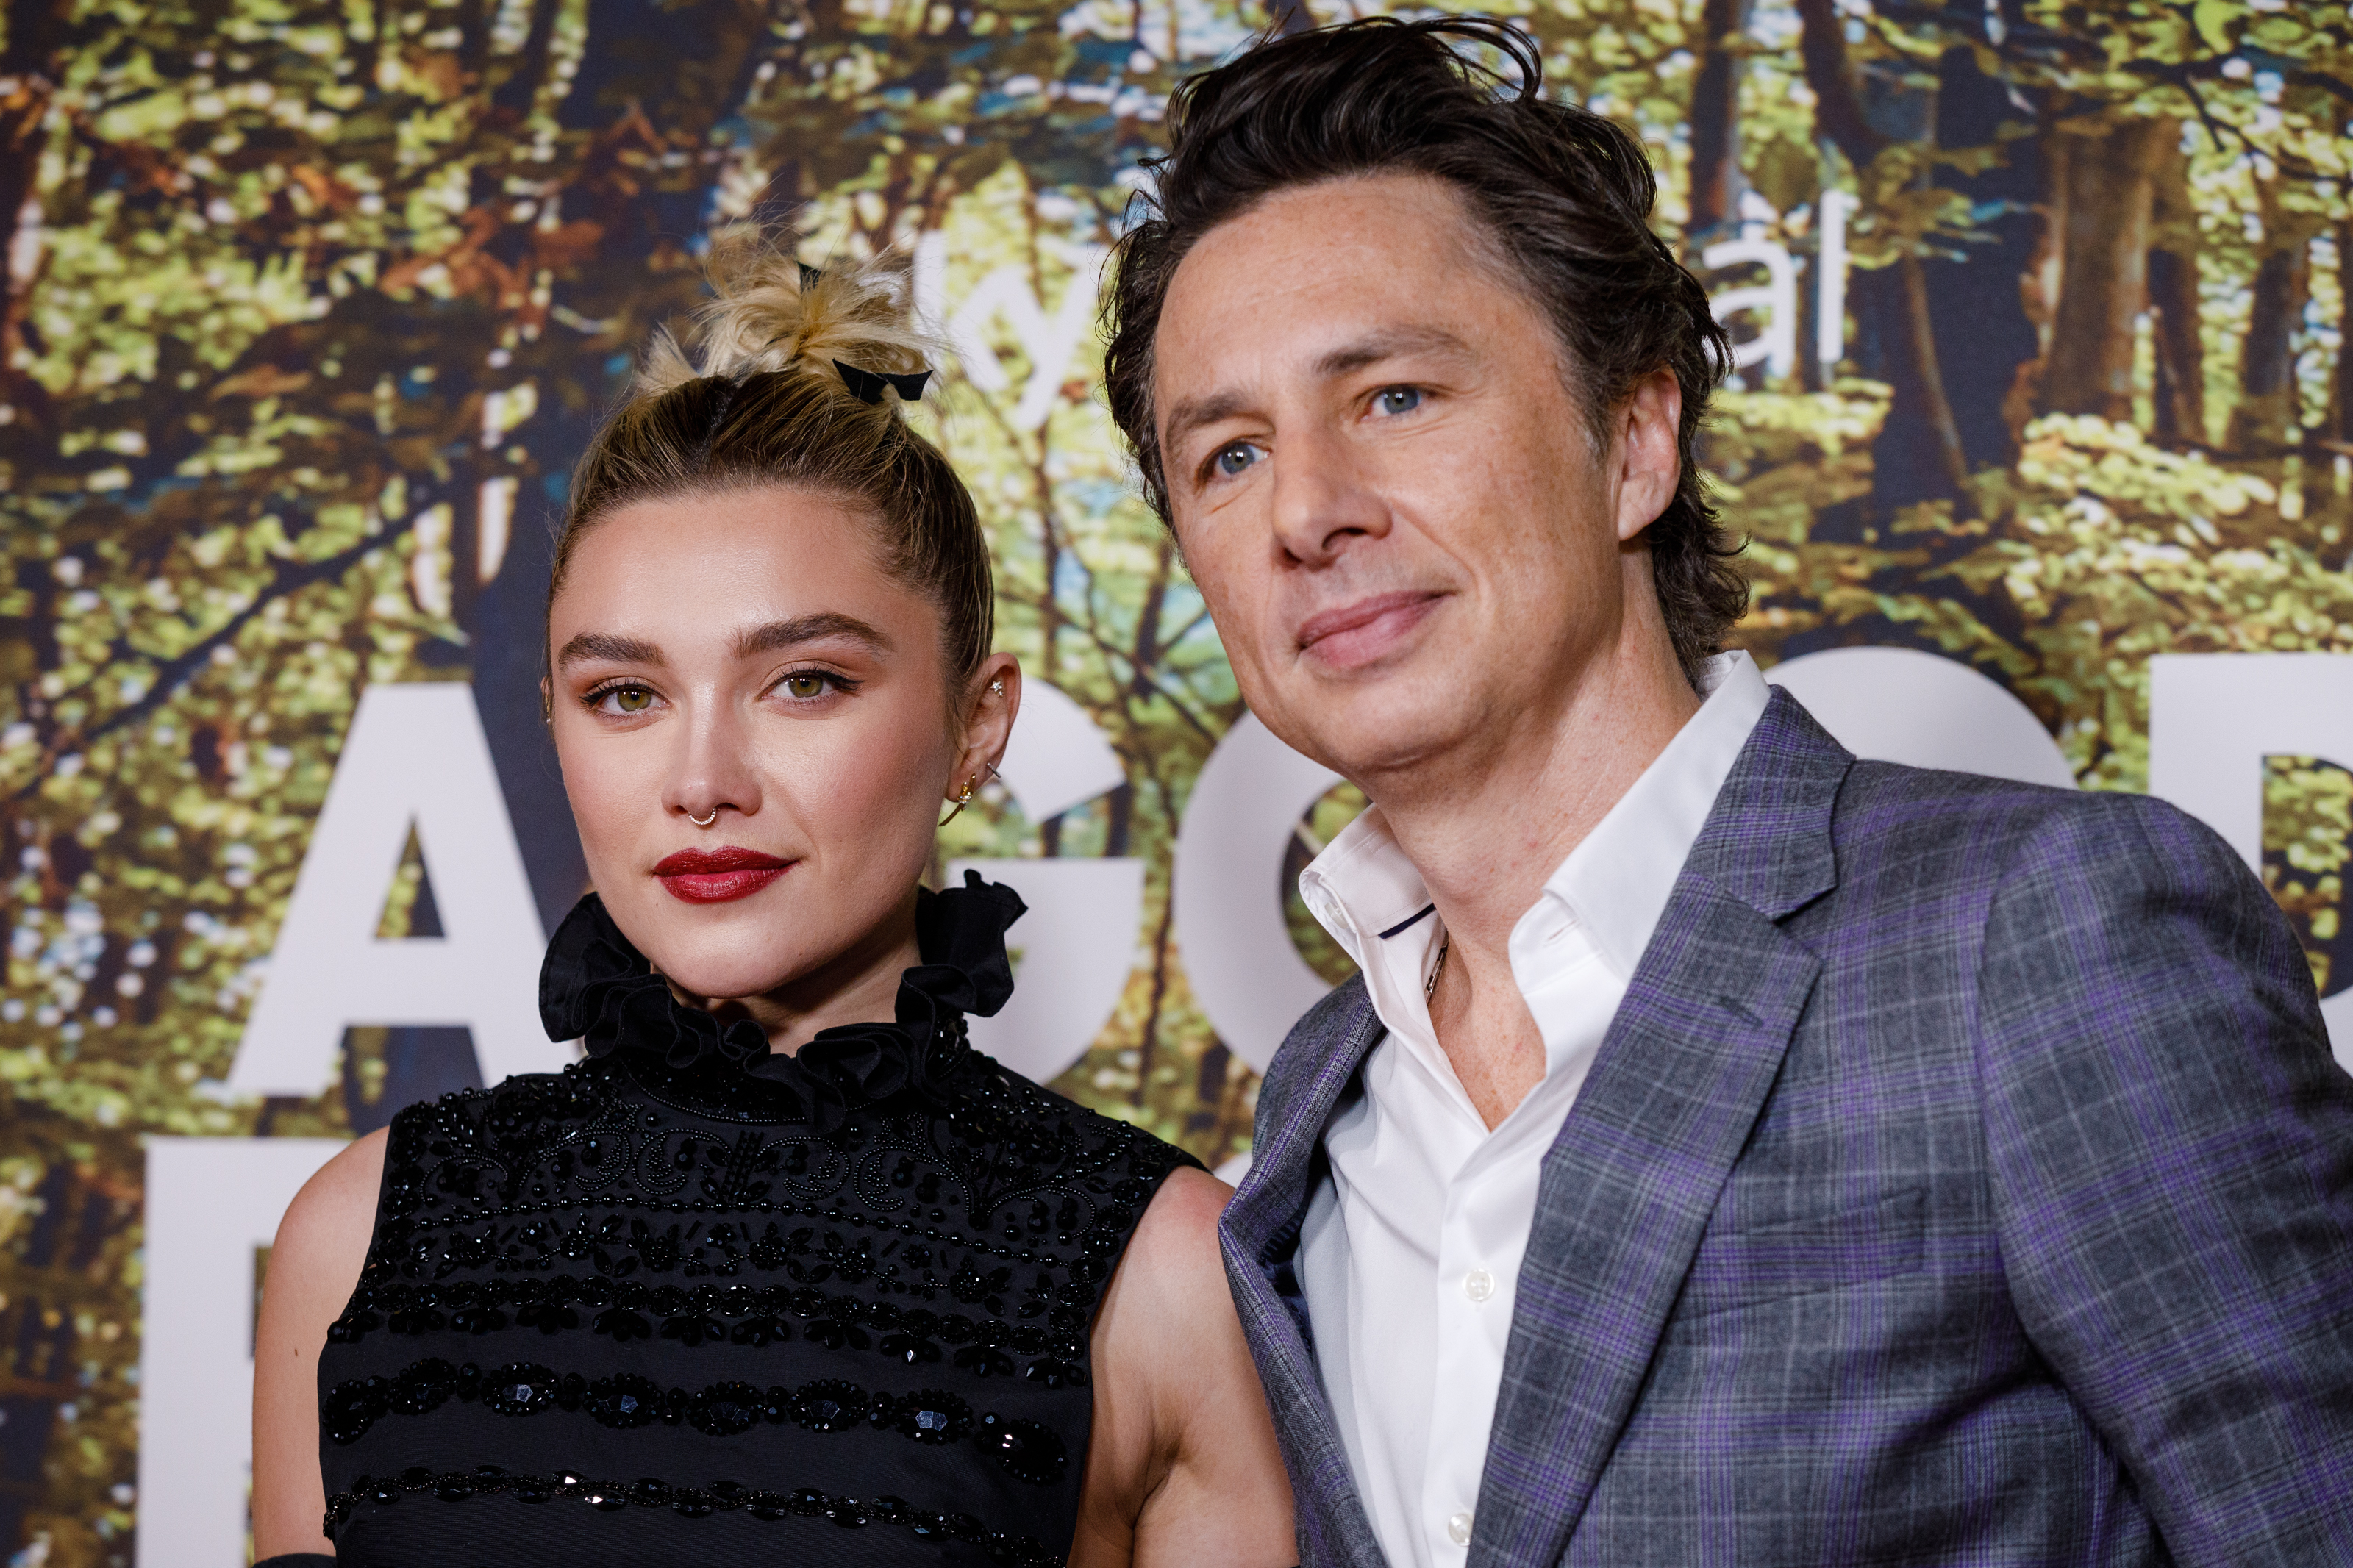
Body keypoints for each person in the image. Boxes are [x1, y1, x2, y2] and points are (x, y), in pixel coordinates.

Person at [1100, 17, 2353, 1567]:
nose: (1306, 508)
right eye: (1226, 453)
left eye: (1396, 396)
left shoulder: (2039, 934)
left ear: (1633, 441)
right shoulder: (1314, 1097)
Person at [251, 236, 1295, 1568]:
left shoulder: (1164, 1275)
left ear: (979, 727)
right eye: (626, 694)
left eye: (804, 681)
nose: (701, 781)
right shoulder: (357, 1236)